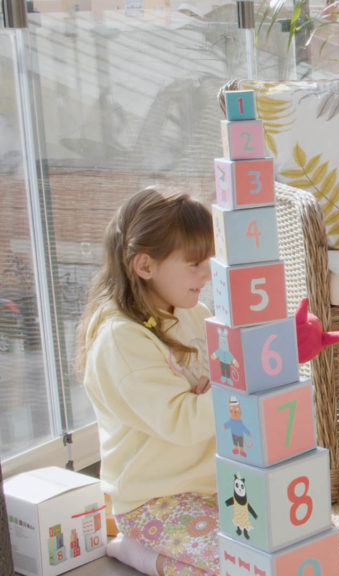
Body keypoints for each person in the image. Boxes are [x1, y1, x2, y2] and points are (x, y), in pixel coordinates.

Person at [76, 187, 219, 576]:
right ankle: (138, 551)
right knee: (242, 566)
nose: (207, 273)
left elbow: (209, 394)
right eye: (194, 264)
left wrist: (214, 393)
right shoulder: (120, 341)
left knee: (295, 546)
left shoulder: (193, 312)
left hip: (212, 485)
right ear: (145, 266)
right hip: (153, 500)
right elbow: (184, 421)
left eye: (208, 258)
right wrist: (224, 393)